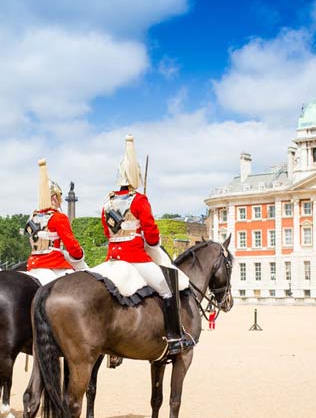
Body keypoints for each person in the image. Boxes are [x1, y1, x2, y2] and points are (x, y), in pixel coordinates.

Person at [101, 134, 194, 356]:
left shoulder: (108, 201)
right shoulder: (139, 200)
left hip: (112, 258)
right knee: (167, 288)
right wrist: (149, 239)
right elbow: (151, 235)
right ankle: (174, 338)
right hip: (135, 258)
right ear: (136, 175)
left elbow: (107, 232)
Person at [24, 159, 87, 285]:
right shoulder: (58, 217)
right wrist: (79, 255)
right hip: (53, 264)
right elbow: (72, 246)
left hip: (33, 264)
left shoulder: (32, 217)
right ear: (54, 198)